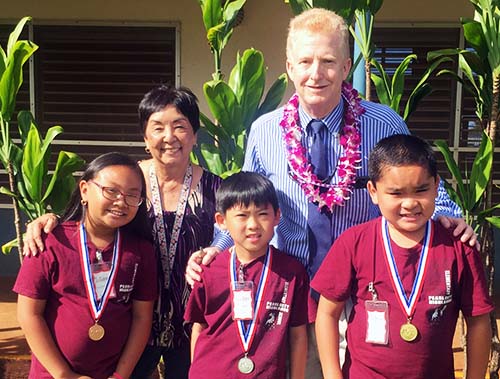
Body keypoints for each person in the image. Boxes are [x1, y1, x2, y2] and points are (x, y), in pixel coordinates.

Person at [186, 7, 477, 378]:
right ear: (289, 67)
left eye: (327, 61)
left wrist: (452, 218)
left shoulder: (383, 123)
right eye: (305, 61)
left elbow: (414, 183)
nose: (315, 73)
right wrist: (218, 246)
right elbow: (248, 203)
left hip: (368, 294)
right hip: (292, 296)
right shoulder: (265, 131)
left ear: (345, 66)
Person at [22, 85, 232, 379]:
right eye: (157, 127)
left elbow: (233, 237)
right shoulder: (126, 181)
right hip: (129, 326)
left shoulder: (217, 190)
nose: (169, 137)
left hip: (192, 325)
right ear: (145, 138)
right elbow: (90, 212)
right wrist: (49, 219)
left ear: (195, 135)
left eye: (180, 127)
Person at [312, 134, 493, 379]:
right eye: (396, 193)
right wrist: (332, 375)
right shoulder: (353, 243)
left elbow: (478, 322)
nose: (409, 203)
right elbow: (327, 313)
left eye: (421, 190)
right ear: (373, 192)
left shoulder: (459, 247)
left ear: (436, 186)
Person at [14, 152, 158, 379]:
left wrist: (121, 375)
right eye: (111, 191)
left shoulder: (141, 251)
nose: (121, 201)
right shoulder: (50, 241)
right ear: (84, 190)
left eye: (133, 195)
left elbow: (142, 317)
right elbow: (28, 314)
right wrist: (64, 375)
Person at [184, 172, 309, 379]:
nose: (253, 225)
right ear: (221, 220)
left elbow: (297, 336)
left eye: (262, 214)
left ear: (277, 216)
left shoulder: (292, 273)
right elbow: (199, 327)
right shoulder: (208, 269)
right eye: (242, 215)